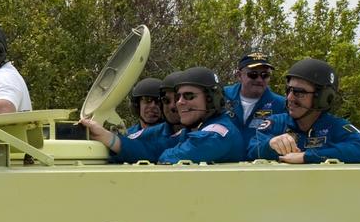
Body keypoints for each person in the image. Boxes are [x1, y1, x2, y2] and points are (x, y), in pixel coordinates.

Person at [82, 67, 246, 164]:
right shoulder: (194, 129)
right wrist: (107, 137)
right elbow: (152, 147)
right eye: (178, 97)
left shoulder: (218, 134)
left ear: (212, 100)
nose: (179, 103)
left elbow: (171, 157)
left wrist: (160, 154)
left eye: (189, 96)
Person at [247, 58, 360, 164]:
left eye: (299, 92)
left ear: (322, 98)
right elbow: (252, 149)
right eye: (289, 90)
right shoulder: (276, 123)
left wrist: (308, 156)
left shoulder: (335, 127)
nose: (290, 98)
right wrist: (270, 145)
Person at [223, 50, 286, 135]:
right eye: (253, 74)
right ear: (239, 75)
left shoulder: (281, 105)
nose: (259, 80)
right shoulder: (222, 95)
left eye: (265, 75)